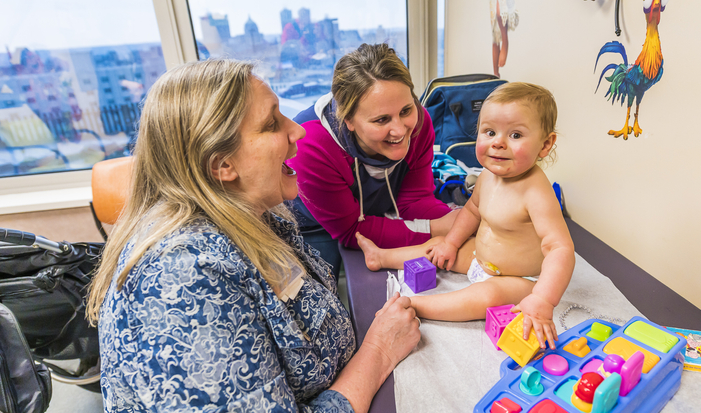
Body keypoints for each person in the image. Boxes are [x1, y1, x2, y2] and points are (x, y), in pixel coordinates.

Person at [85, 59, 420, 413]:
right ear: (222, 165)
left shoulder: (252, 217)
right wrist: (378, 353)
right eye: (272, 123)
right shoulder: (181, 282)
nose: (299, 131)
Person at [356, 82, 575, 349]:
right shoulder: (487, 176)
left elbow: (559, 248)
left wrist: (543, 299)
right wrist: (451, 243)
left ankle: (414, 304)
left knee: (486, 294)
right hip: (480, 259)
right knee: (437, 244)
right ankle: (381, 257)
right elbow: (471, 211)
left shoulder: (535, 191)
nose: (498, 143)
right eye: (489, 132)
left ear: (545, 144)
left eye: (516, 135)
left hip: (519, 279)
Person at [287, 43, 459, 274]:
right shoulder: (310, 144)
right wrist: (436, 230)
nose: (399, 130)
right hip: (317, 225)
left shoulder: (419, 122)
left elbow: (415, 200)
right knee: (328, 282)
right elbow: (350, 231)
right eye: (381, 120)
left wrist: (460, 223)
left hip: (378, 208)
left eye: (406, 111)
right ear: (347, 120)